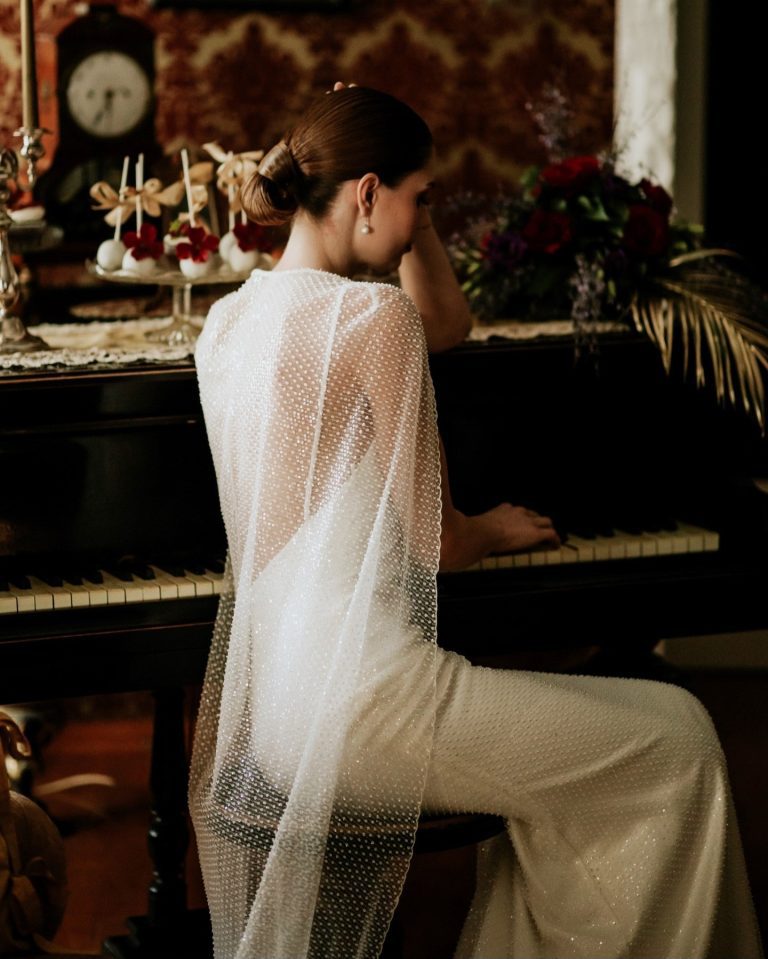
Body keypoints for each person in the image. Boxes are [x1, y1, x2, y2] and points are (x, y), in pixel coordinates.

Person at [189, 85, 763, 959]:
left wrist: (398, 205)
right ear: (368, 192)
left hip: (280, 720)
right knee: (680, 736)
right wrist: (493, 527)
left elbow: (446, 324)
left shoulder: (227, 324)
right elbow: (440, 545)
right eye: (421, 200)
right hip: (368, 710)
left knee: (590, 766)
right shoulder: (373, 318)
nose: (424, 223)